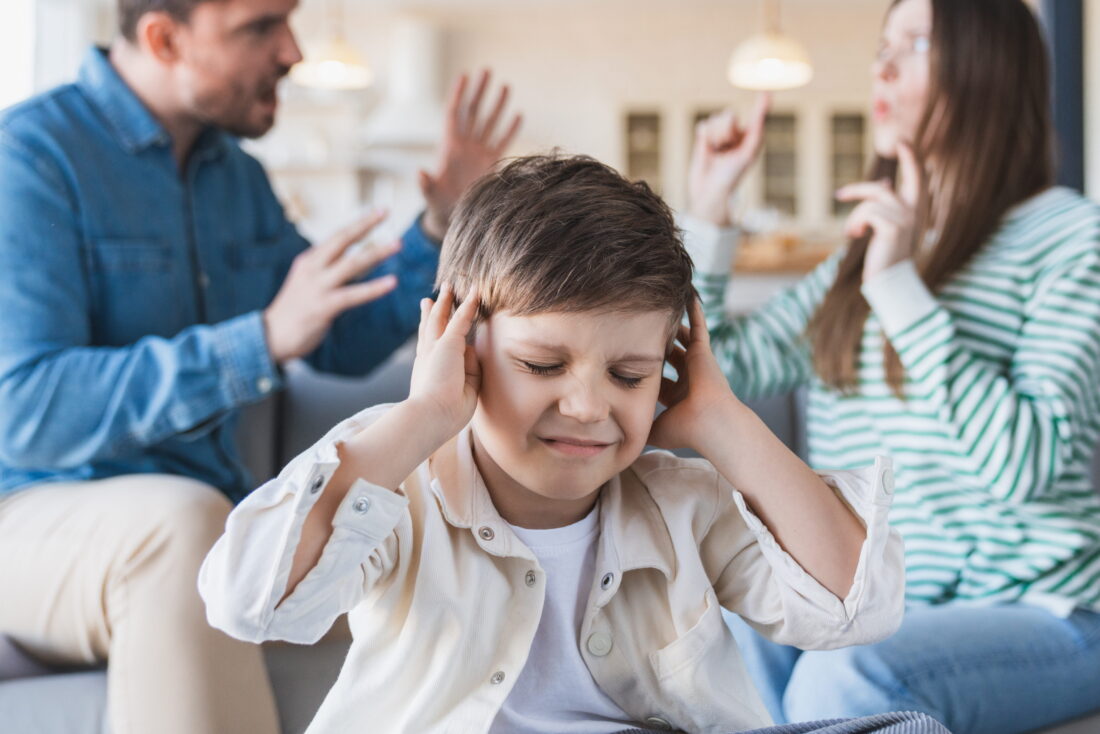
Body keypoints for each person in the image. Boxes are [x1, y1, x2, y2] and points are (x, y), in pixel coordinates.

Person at [199, 154, 947, 734]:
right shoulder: (401, 487)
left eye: (628, 373)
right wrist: (424, 412)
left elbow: (857, 606)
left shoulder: (679, 504)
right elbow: (251, 601)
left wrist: (721, 418)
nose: (589, 406)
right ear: (460, 344)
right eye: (542, 365)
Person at [0, 0, 520, 731]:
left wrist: (440, 227)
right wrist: (258, 340)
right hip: (31, 514)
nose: (291, 52)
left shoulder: (236, 179)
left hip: (207, 512)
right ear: (164, 37)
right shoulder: (30, 157)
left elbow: (337, 340)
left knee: (444, 558)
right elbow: (26, 410)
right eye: (259, 27)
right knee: (184, 531)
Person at [683, 1, 1100, 732]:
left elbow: (1023, 465)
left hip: (1047, 611)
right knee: (714, 635)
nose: (882, 64)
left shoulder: (1067, 236)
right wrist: (711, 213)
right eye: (883, 46)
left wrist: (898, 287)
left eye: (914, 44)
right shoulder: (853, 257)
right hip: (886, 606)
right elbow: (707, 379)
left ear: (989, 66)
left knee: (847, 680)